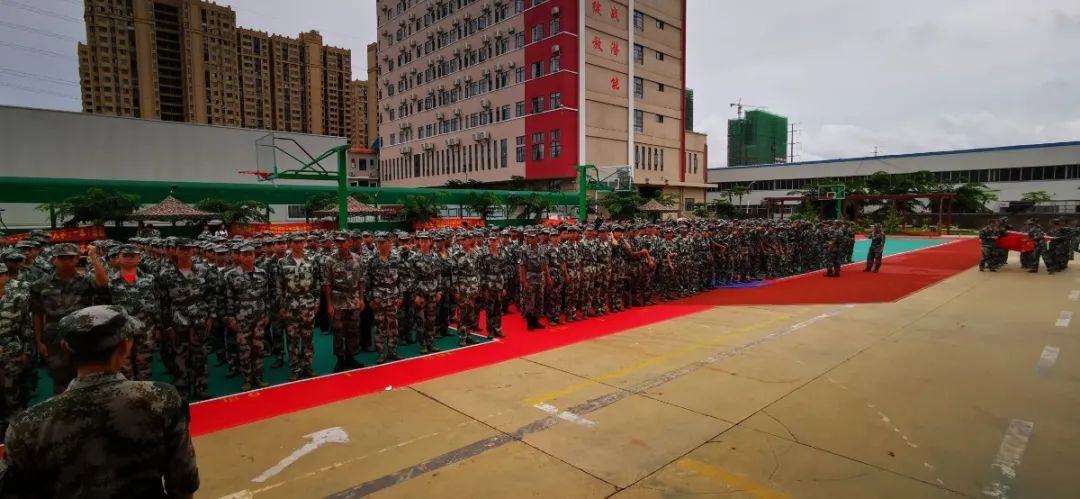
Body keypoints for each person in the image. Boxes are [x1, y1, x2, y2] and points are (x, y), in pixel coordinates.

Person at [0, 305, 200, 498]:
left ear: (65, 348)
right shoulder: (162, 399)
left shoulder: (26, 427)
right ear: (126, 345)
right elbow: (183, 484)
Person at [30, 243, 103, 395]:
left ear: (77, 258)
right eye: (61, 258)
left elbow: (103, 283)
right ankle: (62, 415)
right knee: (60, 381)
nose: (66, 261)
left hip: (82, 335)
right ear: (53, 260)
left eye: (70, 257)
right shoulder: (40, 285)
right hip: (54, 338)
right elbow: (37, 314)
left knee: (85, 379)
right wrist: (39, 341)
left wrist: (93, 257)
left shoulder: (86, 281)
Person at [223, 245, 271, 391]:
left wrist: (267, 313)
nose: (248, 257)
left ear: (254, 256)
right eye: (244, 254)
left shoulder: (262, 273)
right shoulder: (231, 275)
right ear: (239, 256)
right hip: (241, 318)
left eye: (250, 254)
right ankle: (247, 379)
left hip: (259, 317)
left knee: (258, 348)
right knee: (244, 350)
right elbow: (228, 298)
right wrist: (230, 318)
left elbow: (266, 295)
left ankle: (258, 377)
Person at [277, 234, 323, 381]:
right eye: (295, 242)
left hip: (308, 303)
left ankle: (307, 365)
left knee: (308, 337)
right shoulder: (283, 262)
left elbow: (317, 283)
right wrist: (282, 305)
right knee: (292, 339)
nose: (298, 245)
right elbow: (280, 286)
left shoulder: (312, 260)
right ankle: (295, 368)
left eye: (301, 242)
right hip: (291, 305)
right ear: (290, 244)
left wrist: (316, 303)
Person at [324, 233, 365, 372]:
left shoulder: (357, 259)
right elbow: (327, 283)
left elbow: (360, 281)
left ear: (349, 242)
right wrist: (329, 304)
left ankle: (351, 357)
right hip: (338, 299)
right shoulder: (330, 260)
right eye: (337, 242)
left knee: (353, 330)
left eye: (343, 242)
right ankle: (340, 359)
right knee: (338, 330)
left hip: (353, 298)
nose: (340, 245)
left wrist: (361, 299)